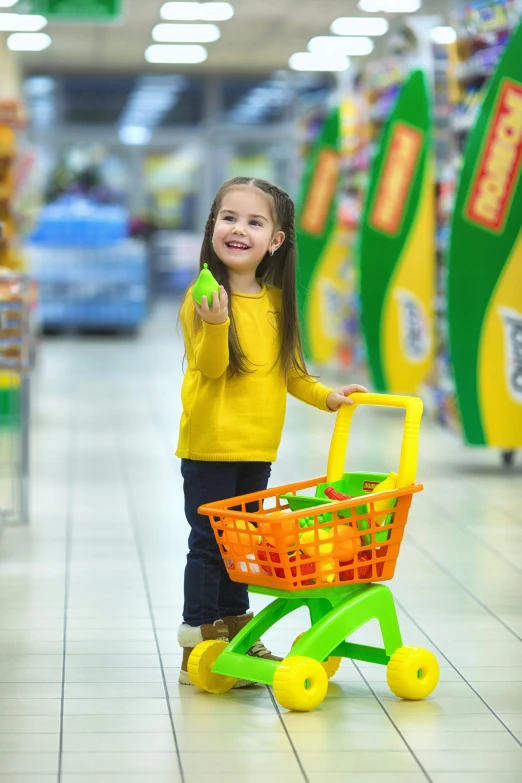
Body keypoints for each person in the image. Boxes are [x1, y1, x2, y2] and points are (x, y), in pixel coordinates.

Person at [176, 176, 367, 685]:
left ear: (276, 241)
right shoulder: (204, 296)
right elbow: (212, 369)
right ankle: (199, 635)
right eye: (229, 218)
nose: (239, 229)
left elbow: (291, 373)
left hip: (256, 447)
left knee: (242, 548)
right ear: (212, 226)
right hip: (210, 447)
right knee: (208, 545)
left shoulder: (277, 301)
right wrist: (215, 323)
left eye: (254, 222)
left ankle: (238, 630)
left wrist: (328, 397)